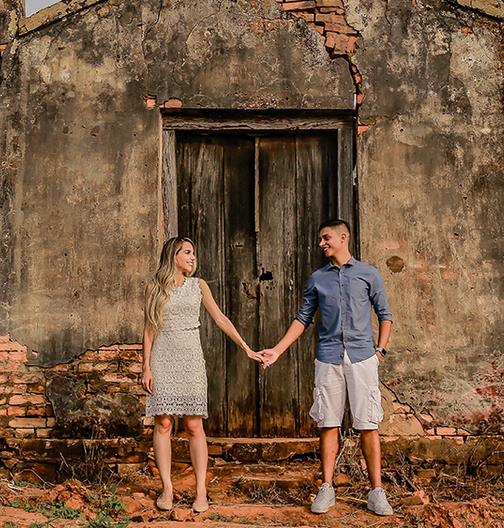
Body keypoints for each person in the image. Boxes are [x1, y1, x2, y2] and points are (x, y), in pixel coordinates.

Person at [259, 219, 395, 516]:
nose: (321, 243)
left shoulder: (368, 274)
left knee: (368, 425)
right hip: (328, 357)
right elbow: (303, 318)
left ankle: (376, 492)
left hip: (362, 358)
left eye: (326, 238)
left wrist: (379, 352)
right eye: (321, 239)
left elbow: (385, 314)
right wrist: (278, 350)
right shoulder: (317, 278)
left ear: (343, 237)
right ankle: (327, 488)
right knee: (327, 423)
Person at [142, 236, 261, 514]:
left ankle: (200, 491)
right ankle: (167, 488)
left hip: (191, 358)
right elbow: (149, 328)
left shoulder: (199, 285)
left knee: (194, 425)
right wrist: (146, 365)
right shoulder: (154, 288)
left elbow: (220, 319)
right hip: (163, 357)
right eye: (187, 252)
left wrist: (246, 347)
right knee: (163, 424)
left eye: (193, 252)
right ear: (173, 256)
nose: (193, 257)